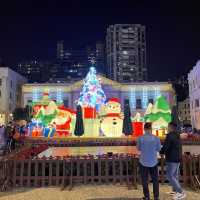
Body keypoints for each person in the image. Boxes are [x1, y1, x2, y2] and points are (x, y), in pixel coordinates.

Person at [160, 122, 186, 199]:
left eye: (168, 127)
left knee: (170, 176)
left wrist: (161, 152)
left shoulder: (169, 136)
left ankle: (181, 192)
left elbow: (166, 146)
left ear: (170, 127)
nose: (167, 128)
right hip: (177, 158)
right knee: (175, 175)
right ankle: (175, 191)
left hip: (171, 158)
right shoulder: (177, 135)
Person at [137, 122, 161, 200]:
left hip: (143, 161)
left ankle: (147, 196)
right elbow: (158, 149)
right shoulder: (156, 138)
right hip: (153, 161)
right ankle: (156, 197)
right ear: (151, 129)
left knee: (144, 180)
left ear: (144, 129)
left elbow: (138, 148)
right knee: (155, 180)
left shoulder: (140, 138)